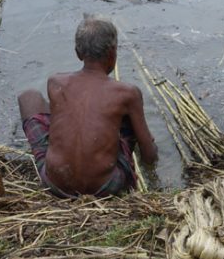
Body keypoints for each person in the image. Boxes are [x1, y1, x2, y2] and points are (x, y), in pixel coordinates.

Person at [17, 15, 157, 198]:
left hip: (56, 184)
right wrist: (150, 157)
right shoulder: (127, 93)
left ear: (78, 53)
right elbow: (149, 155)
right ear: (113, 53)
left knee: (29, 97)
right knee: (127, 121)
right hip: (105, 188)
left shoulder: (55, 82)